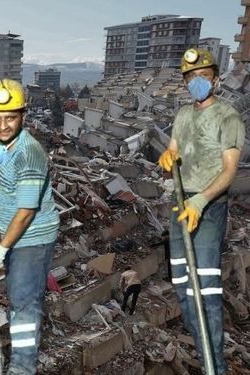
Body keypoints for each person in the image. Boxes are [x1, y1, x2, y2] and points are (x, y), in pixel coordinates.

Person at [158, 48, 245, 375]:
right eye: (191, 78)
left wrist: (201, 200)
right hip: (180, 205)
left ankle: (216, 367)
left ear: (216, 80)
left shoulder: (228, 117)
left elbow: (229, 170)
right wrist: (168, 157)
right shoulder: (182, 115)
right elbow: (175, 151)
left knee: (206, 290)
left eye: (203, 77)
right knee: (183, 284)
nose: (197, 82)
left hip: (208, 207)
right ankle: (203, 350)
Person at [0, 79, 60, 374]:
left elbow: (26, 212)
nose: (3, 126)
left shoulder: (29, 153)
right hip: (11, 234)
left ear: (24, 116)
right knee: (17, 295)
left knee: (24, 306)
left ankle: (22, 369)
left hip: (31, 237)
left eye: (10, 118)